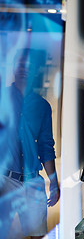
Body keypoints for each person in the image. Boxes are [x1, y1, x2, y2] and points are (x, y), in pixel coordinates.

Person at [0, 49, 60, 239]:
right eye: (20, 64)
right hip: (5, 180)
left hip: (33, 181)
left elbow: (45, 147)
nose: (24, 69)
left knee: (37, 234)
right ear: (14, 67)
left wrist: (54, 182)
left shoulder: (42, 106)